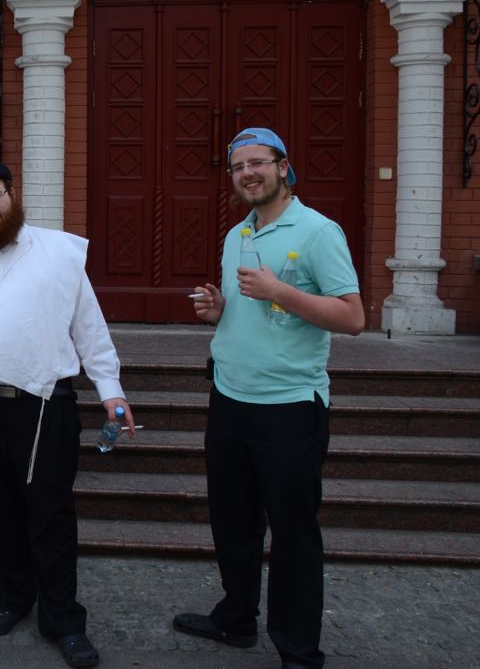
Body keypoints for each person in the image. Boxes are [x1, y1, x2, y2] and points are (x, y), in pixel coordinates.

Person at [0, 161, 134, 669]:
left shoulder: (58, 252)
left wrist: (110, 390)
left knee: (51, 513)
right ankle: (12, 595)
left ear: (12, 195)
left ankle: (62, 618)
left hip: (45, 403)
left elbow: (89, 326)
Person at [174, 128, 363, 669]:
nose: (246, 174)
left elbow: (353, 317)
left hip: (290, 408)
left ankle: (298, 651)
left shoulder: (319, 231)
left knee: (293, 534)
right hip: (230, 398)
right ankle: (236, 619)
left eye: (257, 162)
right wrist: (219, 310)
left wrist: (280, 290)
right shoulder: (237, 234)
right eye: (237, 167)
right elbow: (247, 310)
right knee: (232, 523)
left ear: (283, 167)